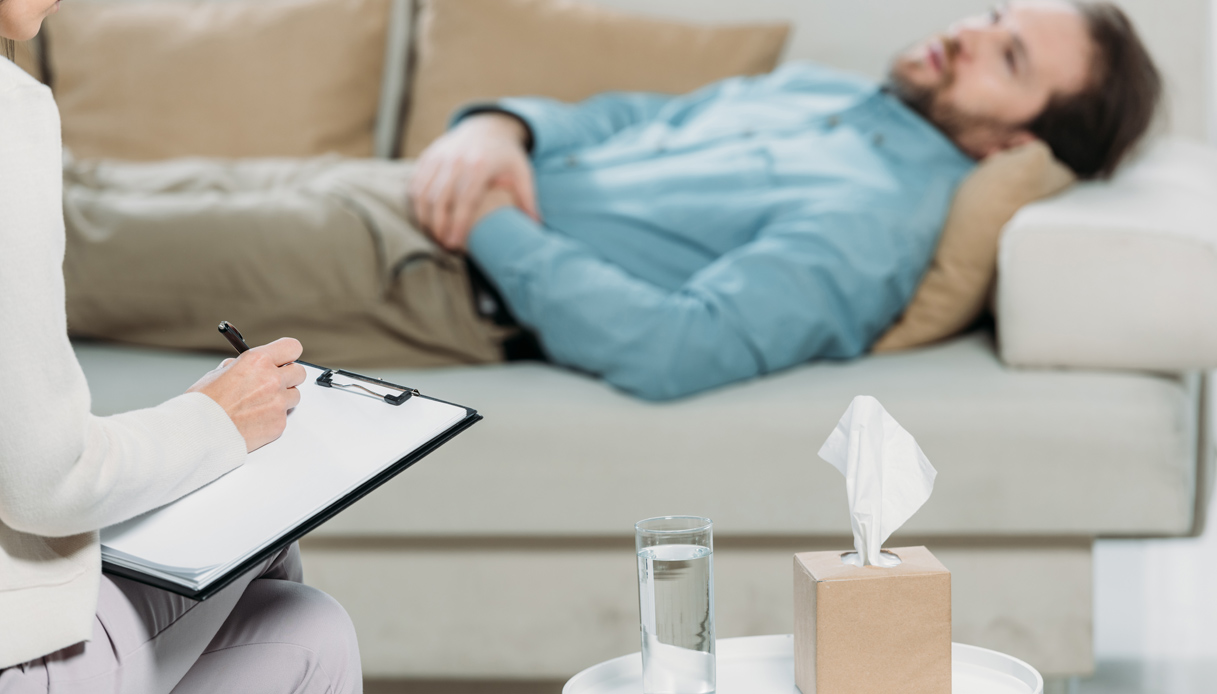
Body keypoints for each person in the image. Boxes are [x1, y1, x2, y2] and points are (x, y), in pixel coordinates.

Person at [58, 0, 1161, 401]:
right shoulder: (828, 94)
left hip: (431, 268)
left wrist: (489, 218)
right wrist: (503, 129)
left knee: (69, 242)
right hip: (400, 187)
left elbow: (678, 348)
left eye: (1007, 55)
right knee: (69, 185)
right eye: (993, 14)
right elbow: (628, 116)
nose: (967, 32)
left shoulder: (874, 225)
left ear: (1019, 140)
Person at [0, 1, 363, 692]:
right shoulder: (6, 110)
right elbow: (47, 483)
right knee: (259, 520)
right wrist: (215, 420)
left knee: (307, 632)